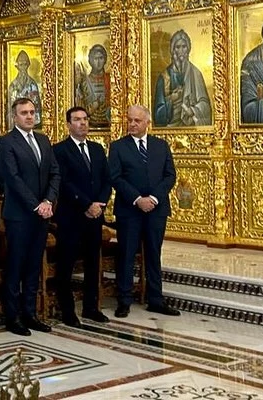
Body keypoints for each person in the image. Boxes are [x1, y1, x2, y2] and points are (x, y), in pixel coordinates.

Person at [108, 105, 179, 318]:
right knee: (127, 254)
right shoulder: (118, 147)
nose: (132, 124)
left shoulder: (161, 145)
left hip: (156, 210)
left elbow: (170, 176)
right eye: (129, 120)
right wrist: (138, 199)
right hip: (130, 210)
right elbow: (115, 177)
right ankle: (124, 300)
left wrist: (154, 199)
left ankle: (156, 299)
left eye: (137, 121)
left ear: (147, 122)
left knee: (153, 254)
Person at [0, 97, 61, 336]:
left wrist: (48, 201)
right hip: (19, 215)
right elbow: (13, 179)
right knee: (16, 265)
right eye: (24, 113)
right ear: (14, 117)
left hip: (42, 213)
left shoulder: (43, 140)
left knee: (34, 265)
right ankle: (13, 317)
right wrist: (36, 205)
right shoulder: (7, 143)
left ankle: (30, 313)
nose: (29, 116)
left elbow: (55, 173)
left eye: (32, 112)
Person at [52, 107, 111, 327]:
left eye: (85, 119)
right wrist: (86, 204)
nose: (83, 123)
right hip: (71, 217)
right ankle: (67, 311)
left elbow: (106, 179)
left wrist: (100, 204)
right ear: (68, 124)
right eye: (77, 120)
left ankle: (90, 307)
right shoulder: (60, 150)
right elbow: (64, 183)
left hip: (94, 217)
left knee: (92, 263)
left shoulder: (97, 149)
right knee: (66, 266)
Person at [154, 30, 212, 127]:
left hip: (192, 127)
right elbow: (158, 114)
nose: (181, 51)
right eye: (177, 47)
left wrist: (193, 110)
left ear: (188, 49)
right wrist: (171, 100)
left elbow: (205, 104)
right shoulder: (164, 78)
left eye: (184, 47)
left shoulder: (196, 74)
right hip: (170, 129)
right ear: (173, 51)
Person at [76, 45, 110, 127]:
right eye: (95, 58)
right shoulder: (84, 82)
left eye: (101, 58)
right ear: (91, 61)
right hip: (91, 122)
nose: (98, 62)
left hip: (107, 121)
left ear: (105, 60)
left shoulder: (110, 80)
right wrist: (92, 108)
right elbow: (80, 107)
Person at [7, 50, 42, 127]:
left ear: (28, 65)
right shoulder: (13, 85)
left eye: (25, 64)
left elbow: (36, 105)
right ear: (17, 66)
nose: (23, 67)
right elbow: (10, 107)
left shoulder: (32, 84)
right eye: (21, 64)